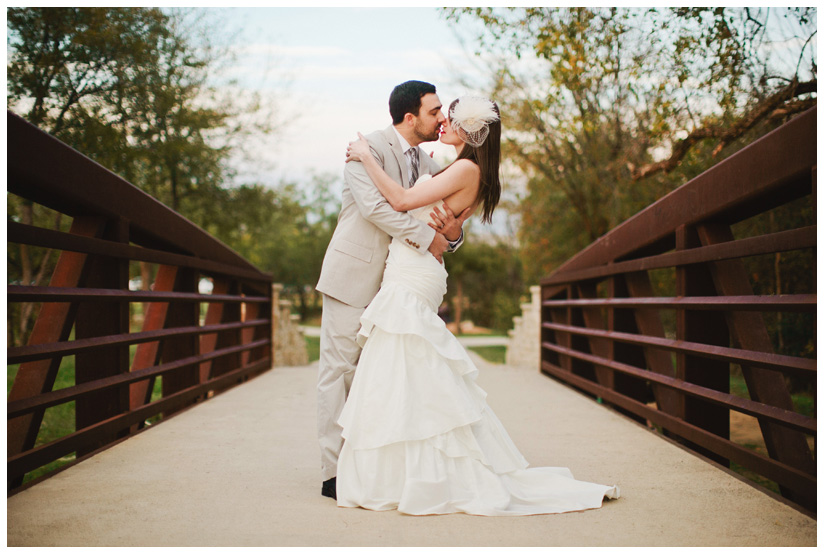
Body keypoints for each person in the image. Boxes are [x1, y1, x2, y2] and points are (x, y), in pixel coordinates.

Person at [336, 95, 620, 516]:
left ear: (471, 133)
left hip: (413, 273)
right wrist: (451, 233)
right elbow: (446, 225)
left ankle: (420, 473)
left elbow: (398, 202)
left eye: (450, 120)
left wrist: (365, 155)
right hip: (415, 267)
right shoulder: (463, 169)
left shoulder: (466, 169)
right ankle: (409, 470)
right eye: (442, 117)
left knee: (405, 366)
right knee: (407, 371)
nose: (443, 124)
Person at [315, 81, 471, 501]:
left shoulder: (427, 161)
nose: (442, 118)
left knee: (383, 379)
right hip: (354, 276)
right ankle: (333, 472)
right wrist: (428, 239)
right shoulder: (363, 151)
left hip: (397, 284)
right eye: (435, 111)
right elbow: (376, 209)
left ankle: (373, 468)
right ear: (409, 117)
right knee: (340, 373)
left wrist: (451, 237)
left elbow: (444, 215)